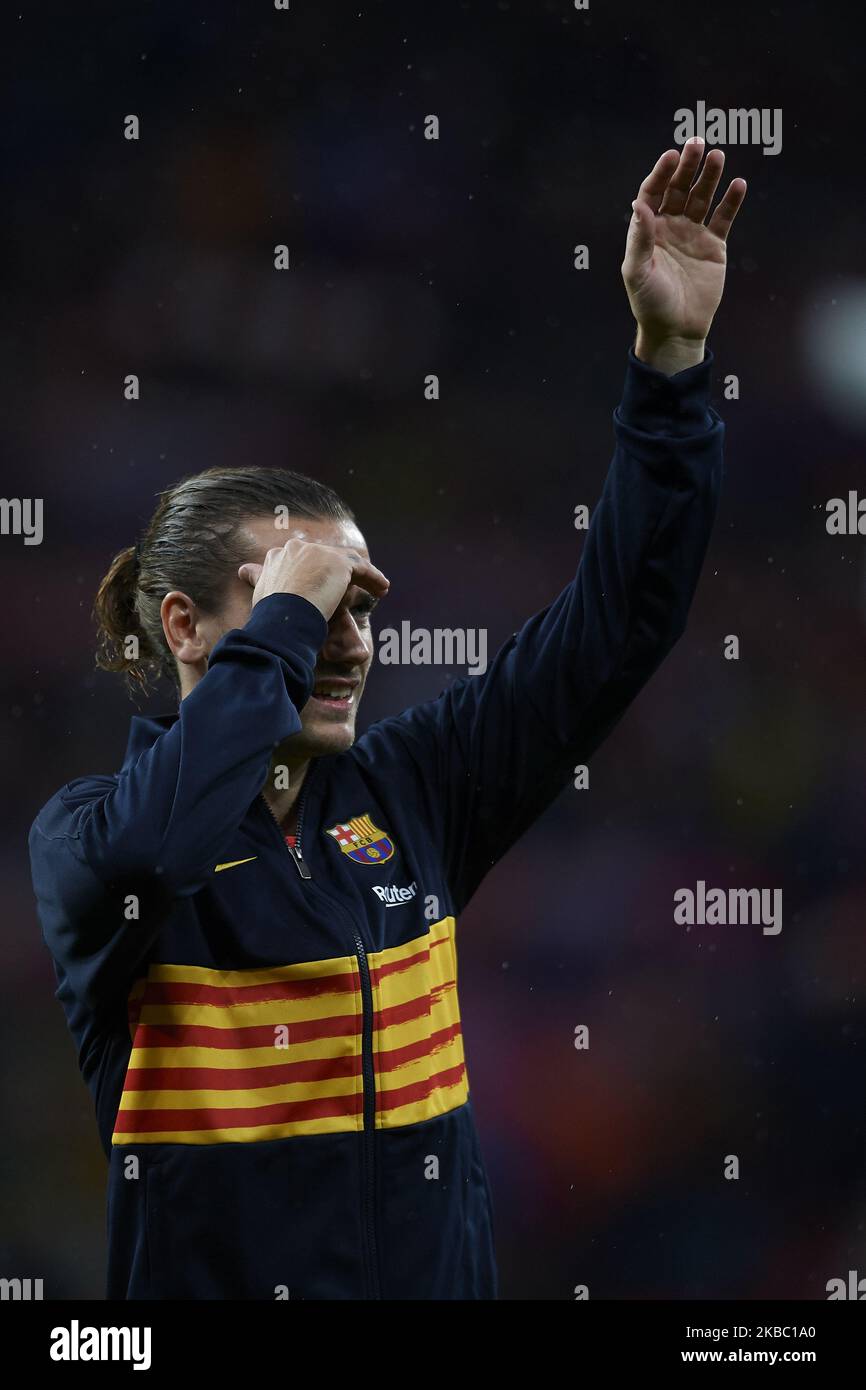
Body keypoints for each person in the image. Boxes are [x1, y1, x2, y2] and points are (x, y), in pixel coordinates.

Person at [29, 139, 746, 1299]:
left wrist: (668, 364)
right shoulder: (86, 844)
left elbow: (618, 628)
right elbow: (165, 846)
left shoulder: (413, 790)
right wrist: (282, 633)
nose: (349, 639)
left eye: (360, 604)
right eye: (308, 603)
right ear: (186, 627)